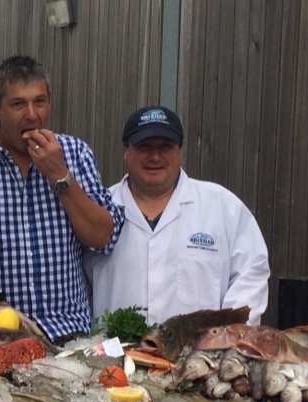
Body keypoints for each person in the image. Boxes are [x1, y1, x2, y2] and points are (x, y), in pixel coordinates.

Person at [0, 55, 124, 341]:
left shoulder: (75, 153)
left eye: (39, 102)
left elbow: (102, 236)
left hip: (68, 332)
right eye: (18, 104)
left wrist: (59, 175)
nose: (31, 115)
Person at [85, 105, 270, 325]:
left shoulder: (222, 206)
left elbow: (251, 273)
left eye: (165, 147)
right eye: (144, 147)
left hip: (200, 355)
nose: (155, 156)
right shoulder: (96, 211)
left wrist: (227, 335)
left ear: (179, 150)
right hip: (112, 354)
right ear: (126, 150)